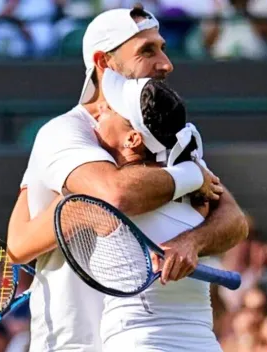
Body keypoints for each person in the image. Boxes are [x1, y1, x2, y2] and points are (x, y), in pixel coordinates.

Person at [6, 5, 248, 352]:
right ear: (104, 62)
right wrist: (190, 173)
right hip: (75, 343)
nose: (166, 63)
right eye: (147, 51)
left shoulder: (165, 129)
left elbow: (234, 220)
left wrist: (192, 242)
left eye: (162, 48)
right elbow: (114, 195)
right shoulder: (63, 132)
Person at [94, 68, 222, 351]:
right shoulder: (199, 196)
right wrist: (193, 174)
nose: (100, 107)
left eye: (111, 108)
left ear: (133, 139)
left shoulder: (108, 193)